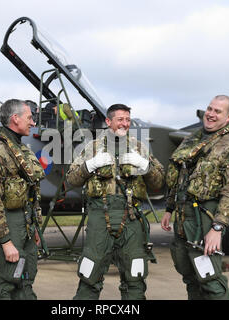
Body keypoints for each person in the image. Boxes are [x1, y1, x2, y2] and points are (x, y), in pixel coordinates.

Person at [67, 103, 164, 300]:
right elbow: (71, 180)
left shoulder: (139, 148)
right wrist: (90, 165)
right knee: (90, 273)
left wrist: (145, 165)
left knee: (135, 275)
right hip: (99, 216)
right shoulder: (92, 148)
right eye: (120, 119)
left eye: (128, 120)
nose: (125, 124)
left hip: (131, 217)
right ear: (109, 121)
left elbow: (159, 182)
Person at [161, 95, 229, 300]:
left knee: (210, 280)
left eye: (218, 111)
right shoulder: (191, 140)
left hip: (205, 219)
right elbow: (181, 178)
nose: (211, 114)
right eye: (209, 109)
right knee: (190, 278)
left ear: (228, 117)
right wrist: (169, 209)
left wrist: (217, 228)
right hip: (183, 218)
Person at [0, 99, 46, 300]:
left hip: (27, 224)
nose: (33, 123)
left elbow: (32, 192)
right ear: (15, 118)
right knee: (5, 282)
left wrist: (36, 226)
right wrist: (5, 241)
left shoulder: (23, 150)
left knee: (26, 279)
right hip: (9, 224)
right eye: (29, 118)